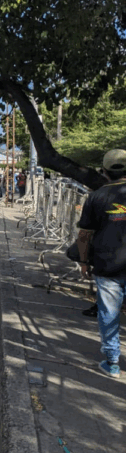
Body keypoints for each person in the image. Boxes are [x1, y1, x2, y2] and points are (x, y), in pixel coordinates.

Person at [76, 149, 126, 379]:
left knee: (109, 313)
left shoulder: (96, 197)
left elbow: (85, 235)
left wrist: (83, 261)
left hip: (107, 265)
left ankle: (112, 362)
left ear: (104, 172)